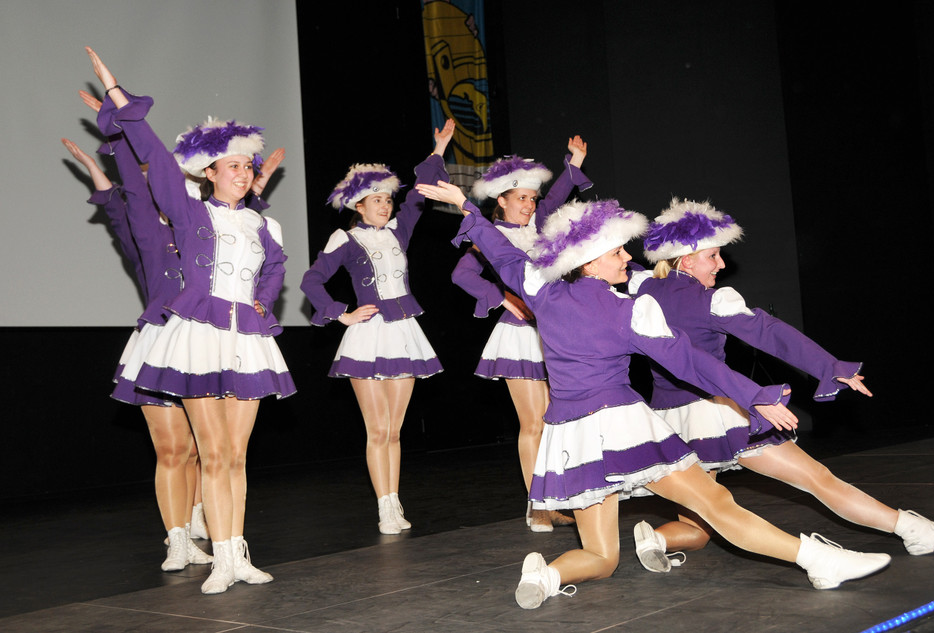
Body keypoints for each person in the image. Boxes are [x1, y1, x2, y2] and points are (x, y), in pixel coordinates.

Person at [415, 181, 892, 609]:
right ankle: (818, 560)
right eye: (618, 252)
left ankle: (548, 573)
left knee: (601, 556)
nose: (627, 258)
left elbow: (501, 254)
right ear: (590, 260)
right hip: (622, 427)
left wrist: (466, 208)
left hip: (571, 437)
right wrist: (754, 396)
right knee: (717, 504)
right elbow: (692, 363)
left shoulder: (543, 291)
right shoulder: (630, 311)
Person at [627, 198, 934, 571]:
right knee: (816, 478)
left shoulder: (641, 290)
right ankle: (914, 531)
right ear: (686, 260)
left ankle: (656, 538)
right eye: (713, 256)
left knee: (702, 521)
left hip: (670, 422)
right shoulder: (708, 301)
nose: (721, 264)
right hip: (717, 413)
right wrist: (829, 366)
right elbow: (771, 333)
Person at [85, 47, 295, 595]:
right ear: (209, 172)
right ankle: (220, 559)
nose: (244, 173)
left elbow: (275, 268)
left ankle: (237, 553)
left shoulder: (264, 226)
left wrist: (263, 302)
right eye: (233, 166)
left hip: (247, 339)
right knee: (214, 452)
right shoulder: (189, 211)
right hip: (199, 336)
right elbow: (154, 155)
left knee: (237, 456)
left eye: (248, 166)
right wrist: (117, 95)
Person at [62, 124, 212, 572]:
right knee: (172, 449)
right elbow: (123, 197)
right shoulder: (145, 230)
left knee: (196, 450)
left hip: (204, 345)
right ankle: (177, 540)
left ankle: (196, 520)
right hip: (160, 344)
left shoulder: (204, 229)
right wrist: (113, 139)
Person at [300, 121, 455, 535]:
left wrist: (439, 150)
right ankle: (384, 505)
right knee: (378, 428)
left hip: (404, 333)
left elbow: (418, 196)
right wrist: (341, 313)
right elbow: (311, 281)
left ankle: (394, 500)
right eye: (377, 200)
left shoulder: (399, 231)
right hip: (368, 337)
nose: (385, 206)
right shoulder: (345, 239)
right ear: (359, 205)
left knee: (395, 431)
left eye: (388, 199)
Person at [451, 138, 590, 532]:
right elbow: (461, 274)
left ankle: (554, 497)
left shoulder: (538, 226)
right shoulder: (491, 234)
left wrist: (576, 161)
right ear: (502, 200)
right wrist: (503, 298)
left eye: (532, 198)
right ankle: (536, 505)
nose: (530, 205)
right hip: (519, 335)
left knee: (554, 421)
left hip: (552, 332)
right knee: (533, 423)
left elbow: (557, 195)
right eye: (522, 199)